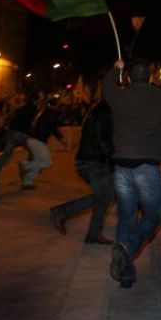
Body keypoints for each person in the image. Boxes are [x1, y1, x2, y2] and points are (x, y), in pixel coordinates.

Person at [103, 59, 161, 288]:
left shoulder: (118, 96)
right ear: (151, 78)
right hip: (147, 166)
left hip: (122, 166)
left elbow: (106, 86)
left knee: (126, 216)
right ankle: (127, 250)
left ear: (128, 78)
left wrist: (116, 68)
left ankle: (125, 272)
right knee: (153, 217)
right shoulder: (160, 99)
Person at [48, 100, 115, 244]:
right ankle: (62, 212)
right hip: (92, 162)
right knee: (103, 196)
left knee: (107, 195)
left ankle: (93, 234)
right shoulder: (105, 110)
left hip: (92, 160)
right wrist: (114, 155)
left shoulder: (101, 108)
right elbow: (102, 138)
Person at [20, 97, 66, 190]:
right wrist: (61, 139)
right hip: (38, 141)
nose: (59, 107)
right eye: (58, 105)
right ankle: (25, 165)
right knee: (47, 163)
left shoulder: (42, 112)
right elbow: (54, 128)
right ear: (54, 105)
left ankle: (27, 182)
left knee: (38, 164)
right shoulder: (51, 114)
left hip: (33, 140)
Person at [0, 94, 35, 185]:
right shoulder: (30, 108)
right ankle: (25, 173)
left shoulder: (16, 109)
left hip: (11, 132)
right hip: (22, 134)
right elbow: (30, 122)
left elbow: (8, 119)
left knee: (7, 153)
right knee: (33, 152)